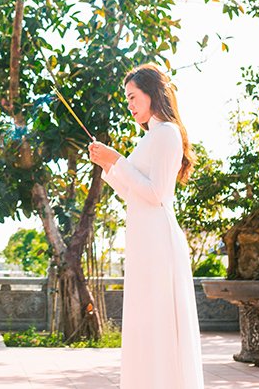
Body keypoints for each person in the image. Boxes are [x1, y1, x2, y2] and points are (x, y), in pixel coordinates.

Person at [87, 63, 204, 389]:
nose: (130, 105)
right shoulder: (151, 136)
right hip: (143, 238)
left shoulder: (166, 133)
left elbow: (156, 194)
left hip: (158, 240)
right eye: (127, 99)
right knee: (144, 321)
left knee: (158, 321)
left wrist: (116, 160)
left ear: (152, 93)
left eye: (133, 96)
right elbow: (134, 193)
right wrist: (108, 166)